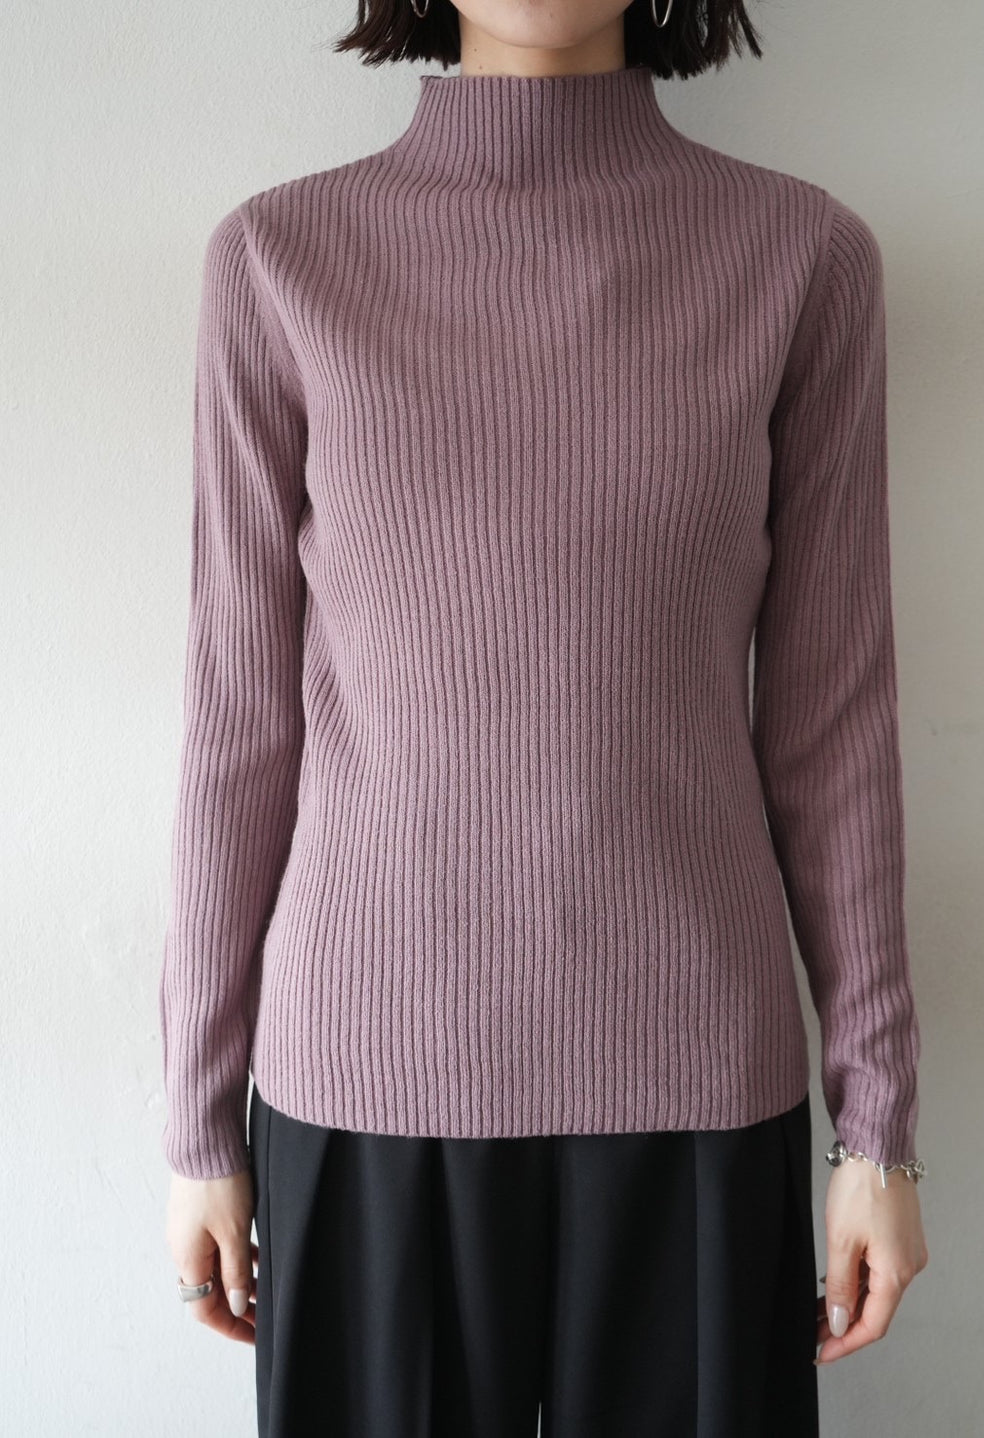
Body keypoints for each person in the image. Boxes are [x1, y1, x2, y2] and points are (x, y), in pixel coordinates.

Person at [160, 1, 930, 1433]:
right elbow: (236, 722)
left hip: (695, 1083)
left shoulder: (800, 257)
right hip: (367, 1083)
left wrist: (878, 1130)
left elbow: (834, 726)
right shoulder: (279, 259)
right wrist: (198, 1121)